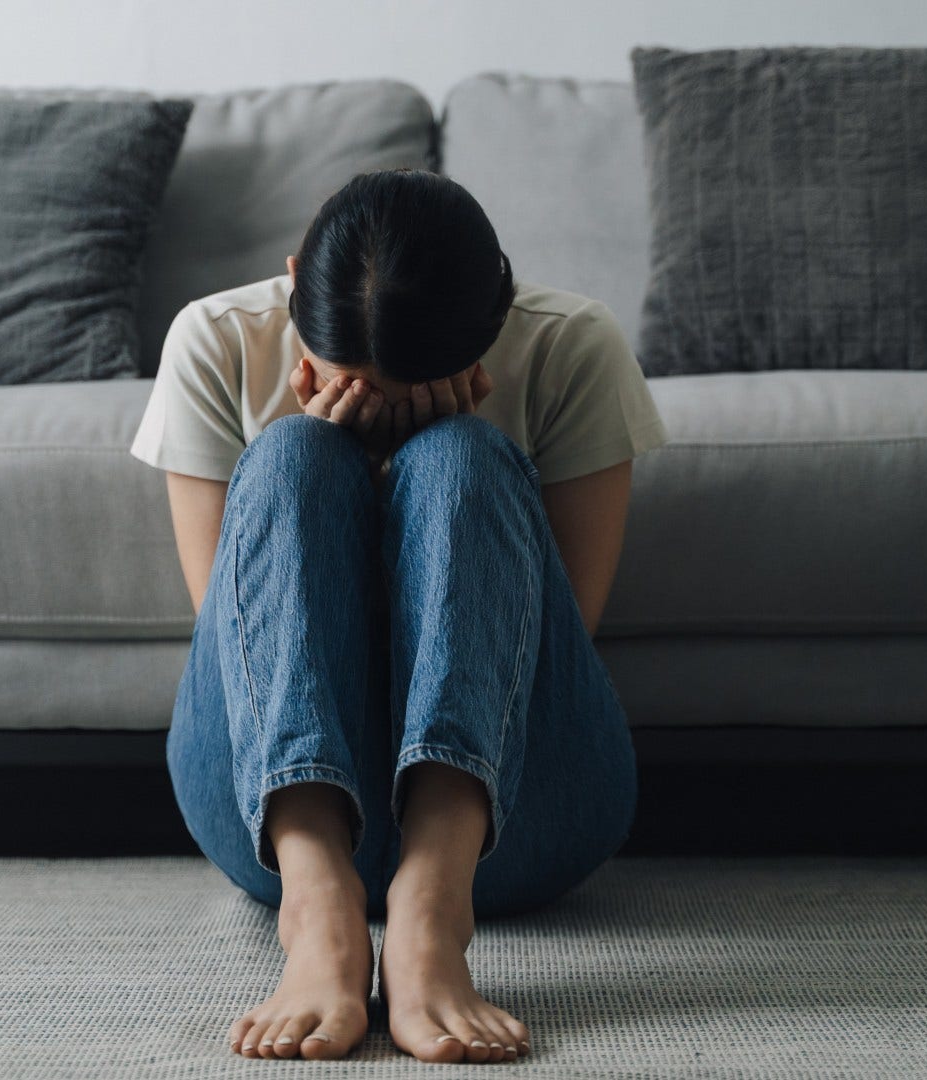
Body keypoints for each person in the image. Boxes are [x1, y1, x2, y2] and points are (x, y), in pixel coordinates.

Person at [127, 167, 670, 1063]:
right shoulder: (218, 338)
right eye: (353, 382)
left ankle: (431, 907)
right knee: (294, 452)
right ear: (298, 283)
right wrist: (340, 462)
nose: (371, 400)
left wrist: (423, 462)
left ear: (496, 316)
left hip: (517, 816)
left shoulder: (572, 343)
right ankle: (318, 907)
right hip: (270, 821)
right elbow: (230, 644)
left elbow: (564, 635)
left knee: (463, 455)